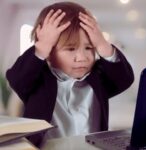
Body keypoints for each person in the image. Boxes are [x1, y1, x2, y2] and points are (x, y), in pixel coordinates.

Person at [6, 1, 134, 148]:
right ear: (49, 52)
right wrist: (41, 46)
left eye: (89, 48)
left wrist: (102, 44)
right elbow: (17, 79)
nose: (82, 57)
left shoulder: (98, 78)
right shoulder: (38, 79)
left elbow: (125, 79)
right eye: (70, 49)